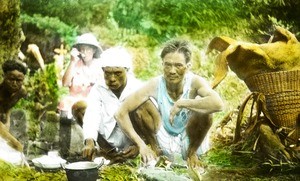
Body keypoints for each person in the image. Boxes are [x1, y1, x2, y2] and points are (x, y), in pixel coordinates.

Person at [114, 39, 224, 169]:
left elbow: (218, 104)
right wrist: (141, 145)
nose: (172, 71)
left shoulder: (195, 82)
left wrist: (182, 103)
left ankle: (192, 154)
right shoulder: (155, 84)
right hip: (164, 137)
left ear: (188, 67)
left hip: (190, 138)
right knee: (141, 106)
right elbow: (120, 113)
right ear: (162, 65)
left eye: (178, 65)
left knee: (206, 110)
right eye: (167, 65)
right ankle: (155, 150)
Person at [82, 46, 144, 164]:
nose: (112, 79)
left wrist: (139, 145)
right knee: (80, 107)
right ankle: (110, 154)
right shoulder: (98, 88)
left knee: (144, 108)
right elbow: (92, 114)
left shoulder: (138, 88)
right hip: (108, 139)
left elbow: (150, 122)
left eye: (117, 73)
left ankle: (134, 149)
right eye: (108, 73)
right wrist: (89, 141)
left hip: (131, 139)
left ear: (127, 70)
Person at [58, 33, 103, 119]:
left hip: (91, 103)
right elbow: (65, 83)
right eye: (82, 49)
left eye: (88, 49)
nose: (85, 53)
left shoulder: (99, 67)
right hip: (74, 102)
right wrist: (72, 61)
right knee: (65, 102)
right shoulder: (75, 64)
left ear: (94, 50)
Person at [0, 60, 28, 166]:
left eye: (19, 80)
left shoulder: (21, 92)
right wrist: (13, 142)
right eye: (11, 79)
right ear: (4, 76)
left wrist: (7, 125)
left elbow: (7, 108)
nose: (15, 83)